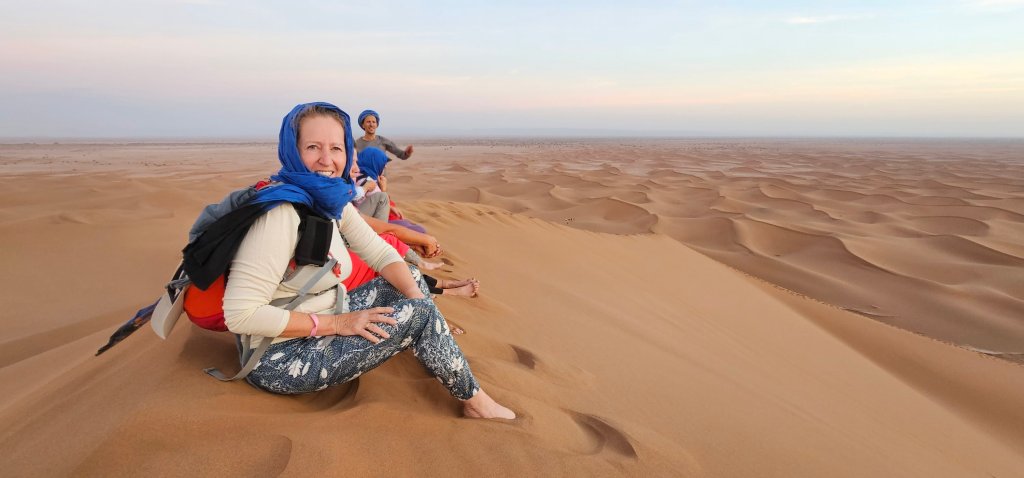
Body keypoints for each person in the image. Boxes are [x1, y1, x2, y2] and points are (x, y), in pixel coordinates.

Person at [222, 101, 514, 419]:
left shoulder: (330, 201)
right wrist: (338, 324)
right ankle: (476, 403)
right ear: (292, 150)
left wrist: (417, 297)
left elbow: (380, 252)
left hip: (322, 321)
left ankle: (431, 344)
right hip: (279, 358)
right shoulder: (279, 215)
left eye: (336, 148)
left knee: (412, 281)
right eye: (313, 147)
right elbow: (240, 315)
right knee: (419, 314)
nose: (326, 159)